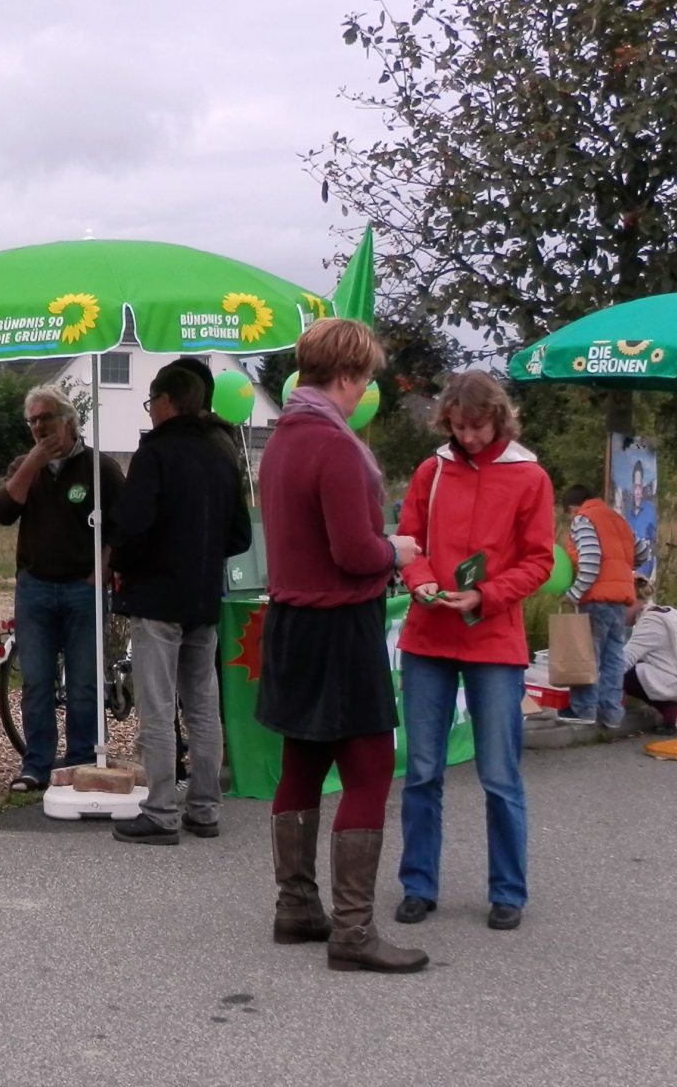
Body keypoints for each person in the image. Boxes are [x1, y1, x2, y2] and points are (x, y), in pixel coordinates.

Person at [256, 317, 427, 974]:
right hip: (338, 625)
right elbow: (354, 551)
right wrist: (398, 550)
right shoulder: (332, 444)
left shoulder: (281, 440)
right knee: (369, 770)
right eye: (365, 381)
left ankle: (295, 905)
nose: (364, 394)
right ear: (350, 375)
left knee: (301, 763)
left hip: (291, 620)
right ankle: (353, 932)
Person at [394, 373, 555, 932]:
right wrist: (420, 584)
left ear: (499, 419)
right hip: (429, 636)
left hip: (493, 641)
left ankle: (508, 891)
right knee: (420, 770)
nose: (468, 437)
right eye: (459, 428)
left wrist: (485, 595)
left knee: (499, 774)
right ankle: (418, 885)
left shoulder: (530, 477)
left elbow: (539, 562)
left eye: (477, 427)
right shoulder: (430, 470)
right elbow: (408, 545)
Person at [109, 365, 252, 845]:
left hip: (157, 596)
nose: (151, 413)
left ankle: (162, 809)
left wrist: (125, 564)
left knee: (158, 705)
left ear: (167, 401)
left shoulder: (156, 453)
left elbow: (131, 525)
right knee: (203, 707)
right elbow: (240, 533)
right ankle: (206, 808)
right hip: (205, 594)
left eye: (151, 403)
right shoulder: (222, 454)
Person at [0, 384, 125, 792]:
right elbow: (1, 512)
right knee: (36, 680)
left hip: (82, 588)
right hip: (35, 588)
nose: (37, 427)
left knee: (84, 681)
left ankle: (82, 761)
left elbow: (122, 525)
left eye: (45, 418)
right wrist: (32, 462)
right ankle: (37, 764)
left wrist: (101, 570)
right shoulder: (24, 467)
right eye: (31, 421)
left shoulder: (99, 469)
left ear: (67, 420)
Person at [562, 483, 653, 728]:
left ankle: (583, 710)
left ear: (573, 508)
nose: (571, 519)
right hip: (621, 598)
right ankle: (611, 714)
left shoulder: (584, 519)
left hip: (596, 597)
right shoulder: (617, 520)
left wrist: (574, 592)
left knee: (587, 655)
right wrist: (624, 568)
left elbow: (590, 561)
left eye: (569, 514)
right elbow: (644, 552)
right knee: (613, 657)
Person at [622, 576, 677, 735]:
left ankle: (669, 711)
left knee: (622, 673)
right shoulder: (668, 613)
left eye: (619, 606)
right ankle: (675, 713)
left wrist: (592, 679)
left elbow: (625, 660)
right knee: (639, 667)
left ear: (632, 601)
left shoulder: (650, 622)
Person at [623, 459, 658, 578]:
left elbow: (654, 544)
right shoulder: (626, 514)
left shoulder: (650, 512)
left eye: (640, 487)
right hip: (627, 576)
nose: (638, 491)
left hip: (646, 577)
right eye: (635, 487)